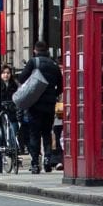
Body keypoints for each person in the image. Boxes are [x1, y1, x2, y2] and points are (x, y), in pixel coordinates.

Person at [22, 44, 63, 173]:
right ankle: (47, 160)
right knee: (47, 133)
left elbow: (22, 78)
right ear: (47, 51)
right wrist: (52, 95)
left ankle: (35, 163)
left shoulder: (33, 62)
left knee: (34, 134)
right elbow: (61, 86)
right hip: (49, 105)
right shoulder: (54, 65)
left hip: (35, 104)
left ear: (35, 50)